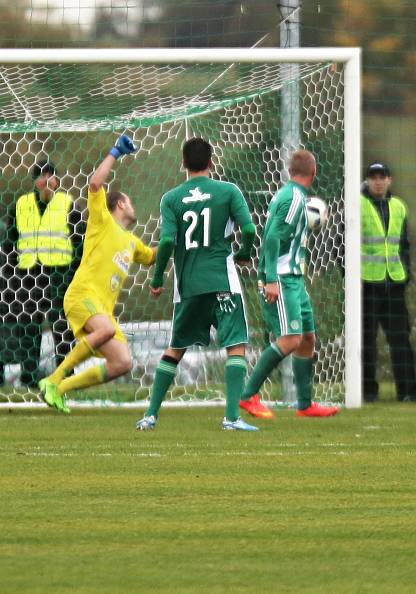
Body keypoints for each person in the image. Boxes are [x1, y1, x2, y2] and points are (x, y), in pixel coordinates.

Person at [135, 137, 259, 431]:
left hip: (187, 285)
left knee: (176, 347)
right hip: (222, 281)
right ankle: (231, 418)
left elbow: (166, 241)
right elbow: (250, 229)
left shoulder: (171, 198)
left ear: (183, 164)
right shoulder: (228, 191)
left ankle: (150, 415)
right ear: (211, 162)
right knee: (235, 345)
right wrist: (243, 253)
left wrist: (156, 277)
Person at [37, 135, 156, 412]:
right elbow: (94, 183)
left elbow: (152, 256)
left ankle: (60, 389)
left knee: (122, 362)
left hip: (102, 308)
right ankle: (54, 378)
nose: (134, 205)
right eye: (131, 202)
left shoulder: (131, 243)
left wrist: (180, 238)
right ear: (121, 205)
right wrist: (115, 152)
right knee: (105, 329)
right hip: (81, 296)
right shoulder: (101, 219)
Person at [235, 149, 338, 419]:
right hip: (280, 278)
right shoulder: (292, 198)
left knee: (307, 338)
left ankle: (305, 405)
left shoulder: (296, 197)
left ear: (291, 171)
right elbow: (271, 238)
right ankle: (247, 396)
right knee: (291, 339)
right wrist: (270, 280)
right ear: (313, 173)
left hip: (294, 279)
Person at [7, 160, 81, 387]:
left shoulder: (67, 204)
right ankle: (29, 377)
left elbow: (79, 241)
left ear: (57, 180)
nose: (46, 181)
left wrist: (74, 273)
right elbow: (10, 241)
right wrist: (13, 273)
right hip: (29, 274)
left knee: (61, 326)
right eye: (42, 177)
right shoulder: (21, 205)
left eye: (51, 176)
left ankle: (65, 375)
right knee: (29, 327)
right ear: (35, 182)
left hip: (59, 273)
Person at [361, 161, 416, 402]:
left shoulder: (399, 206)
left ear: (389, 180)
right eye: (373, 176)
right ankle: (367, 392)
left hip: (394, 283)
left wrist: (405, 273)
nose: (378, 181)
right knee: (366, 341)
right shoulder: (357, 205)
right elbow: (342, 244)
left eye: (382, 176)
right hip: (366, 284)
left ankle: (408, 392)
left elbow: (404, 243)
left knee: (401, 340)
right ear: (367, 180)